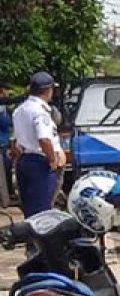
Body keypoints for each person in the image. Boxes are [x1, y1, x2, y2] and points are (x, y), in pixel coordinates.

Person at [12, 72, 66, 217]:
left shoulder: (19, 110)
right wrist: (52, 159)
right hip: (40, 163)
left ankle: (32, 238)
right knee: (42, 210)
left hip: (24, 160)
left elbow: (15, 140)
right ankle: (40, 239)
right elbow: (44, 139)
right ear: (48, 90)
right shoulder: (40, 112)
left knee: (29, 207)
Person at [0, 90, 13, 206]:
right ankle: (6, 200)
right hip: (2, 144)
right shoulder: (2, 109)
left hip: (4, 143)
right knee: (4, 174)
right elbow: (6, 124)